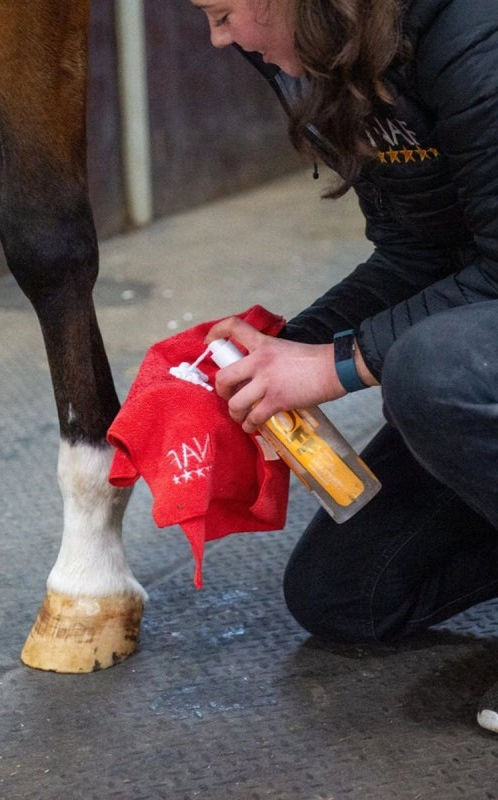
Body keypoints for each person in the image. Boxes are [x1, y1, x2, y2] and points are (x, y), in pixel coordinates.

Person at [190, 0, 498, 732]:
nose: (218, 38)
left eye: (225, 12)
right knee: (345, 593)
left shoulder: (471, 25)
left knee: (431, 373)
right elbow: (419, 253)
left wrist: (337, 363)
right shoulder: (335, 51)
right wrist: (281, 350)